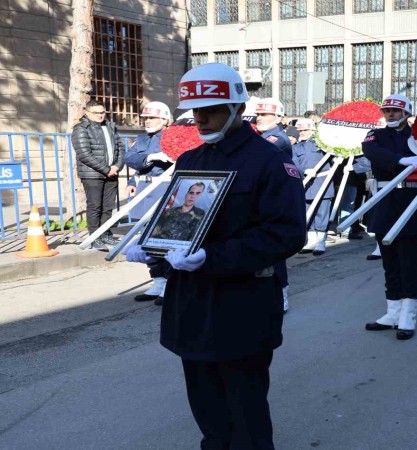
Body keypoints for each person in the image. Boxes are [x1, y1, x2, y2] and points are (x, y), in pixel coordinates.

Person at [125, 62, 306, 449]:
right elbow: (179, 221)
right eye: (196, 112)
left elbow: (286, 233)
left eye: (212, 110)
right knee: (206, 406)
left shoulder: (270, 161)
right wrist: (153, 249)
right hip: (192, 301)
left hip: (242, 302)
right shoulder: (191, 160)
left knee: (245, 409)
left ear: (238, 108)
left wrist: (213, 257)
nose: (201, 119)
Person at [362, 94, 417, 340]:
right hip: (384, 199)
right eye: (386, 110)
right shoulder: (375, 135)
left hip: (410, 199)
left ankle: (408, 316)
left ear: (406, 113)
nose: (390, 114)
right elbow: (371, 151)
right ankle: (393, 312)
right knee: (389, 260)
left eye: (395, 111)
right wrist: (401, 160)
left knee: (408, 261)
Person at [124, 101, 174, 304]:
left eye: (152, 118)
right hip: (145, 189)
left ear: (165, 119)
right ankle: (158, 282)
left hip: (164, 188)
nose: (148, 121)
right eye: (146, 118)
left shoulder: (173, 136)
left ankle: (170, 283)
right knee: (147, 238)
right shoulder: (142, 139)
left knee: (164, 239)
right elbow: (130, 159)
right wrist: (152, 157)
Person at [254, 97, 294, 311]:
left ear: (278, 118)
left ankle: (282, 292)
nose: (259, 118)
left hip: (274, 200)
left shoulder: (277, 138)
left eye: (265, 114)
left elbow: (255, 154)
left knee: (274, 249)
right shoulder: (261, 136)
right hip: (260, 198)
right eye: (258, 114)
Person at [72, 99, 125, 250]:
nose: (100, 115)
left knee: (108, 207)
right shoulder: (81, 129)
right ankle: (94, 238)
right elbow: (84, 154)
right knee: (95, 206)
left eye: (102, 112)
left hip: (112, 173)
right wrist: (106, 169)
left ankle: (105, 235)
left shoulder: (110, 126)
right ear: (86, 112)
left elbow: (120, 148)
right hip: (92, 175)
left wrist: (117, 166)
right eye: (96, 113)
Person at [293, 118, 333, 256]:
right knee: (307, 212)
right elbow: (294, 162)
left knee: (322, 213)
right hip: (305, 183)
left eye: (306, 130)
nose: (302, 132)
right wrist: (304, 170)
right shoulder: (296, 147)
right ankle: (311, 241)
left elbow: (333, 158)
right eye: (300, 130)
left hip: (322, 182)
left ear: (312, 130)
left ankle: (321, 241)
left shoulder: (322, 144)